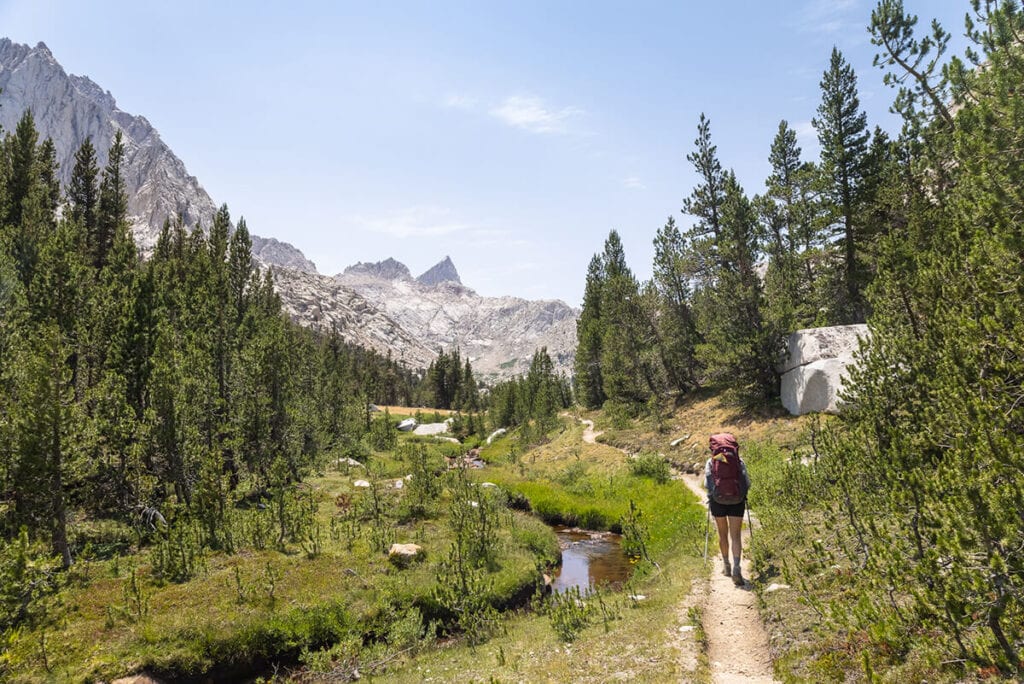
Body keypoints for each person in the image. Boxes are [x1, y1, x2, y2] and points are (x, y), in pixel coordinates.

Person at [703, 432, 750, 586]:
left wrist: (712, 496)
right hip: (737, 500)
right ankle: (737, 567)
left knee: (723, 534)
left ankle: (726, 566)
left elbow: (707, 484)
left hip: (718, 501)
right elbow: (746, 482)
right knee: (735, 535)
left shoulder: (711, 462)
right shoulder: (738, 461)